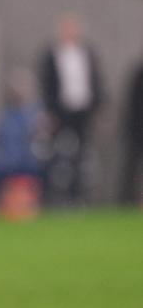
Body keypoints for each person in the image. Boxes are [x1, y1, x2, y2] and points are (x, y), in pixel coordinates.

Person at [39, 14, 103, 206]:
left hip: (82, 111)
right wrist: (50, 111)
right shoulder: (52, 54)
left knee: (81, 155)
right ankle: (53, 195)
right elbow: (46, 83)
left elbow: (96, 81)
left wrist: (97, 106)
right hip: (60, 112)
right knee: (56, 154)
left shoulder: (87, 53)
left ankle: (78, 196)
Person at [120, 59, 143, 206]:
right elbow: (133, 105)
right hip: (138, 129)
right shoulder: (139, 75)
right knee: (131, 166)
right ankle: (126, 200)